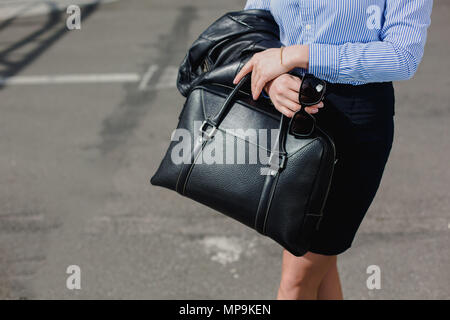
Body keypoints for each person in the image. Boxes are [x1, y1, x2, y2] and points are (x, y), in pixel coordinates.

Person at [233, 0, 433, 300]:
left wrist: (295, 55)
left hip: (354, 128)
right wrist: (273, 78)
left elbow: (402, 56)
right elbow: (254, 22)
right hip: (288, 115)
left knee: (297, 280)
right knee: (319, 264)